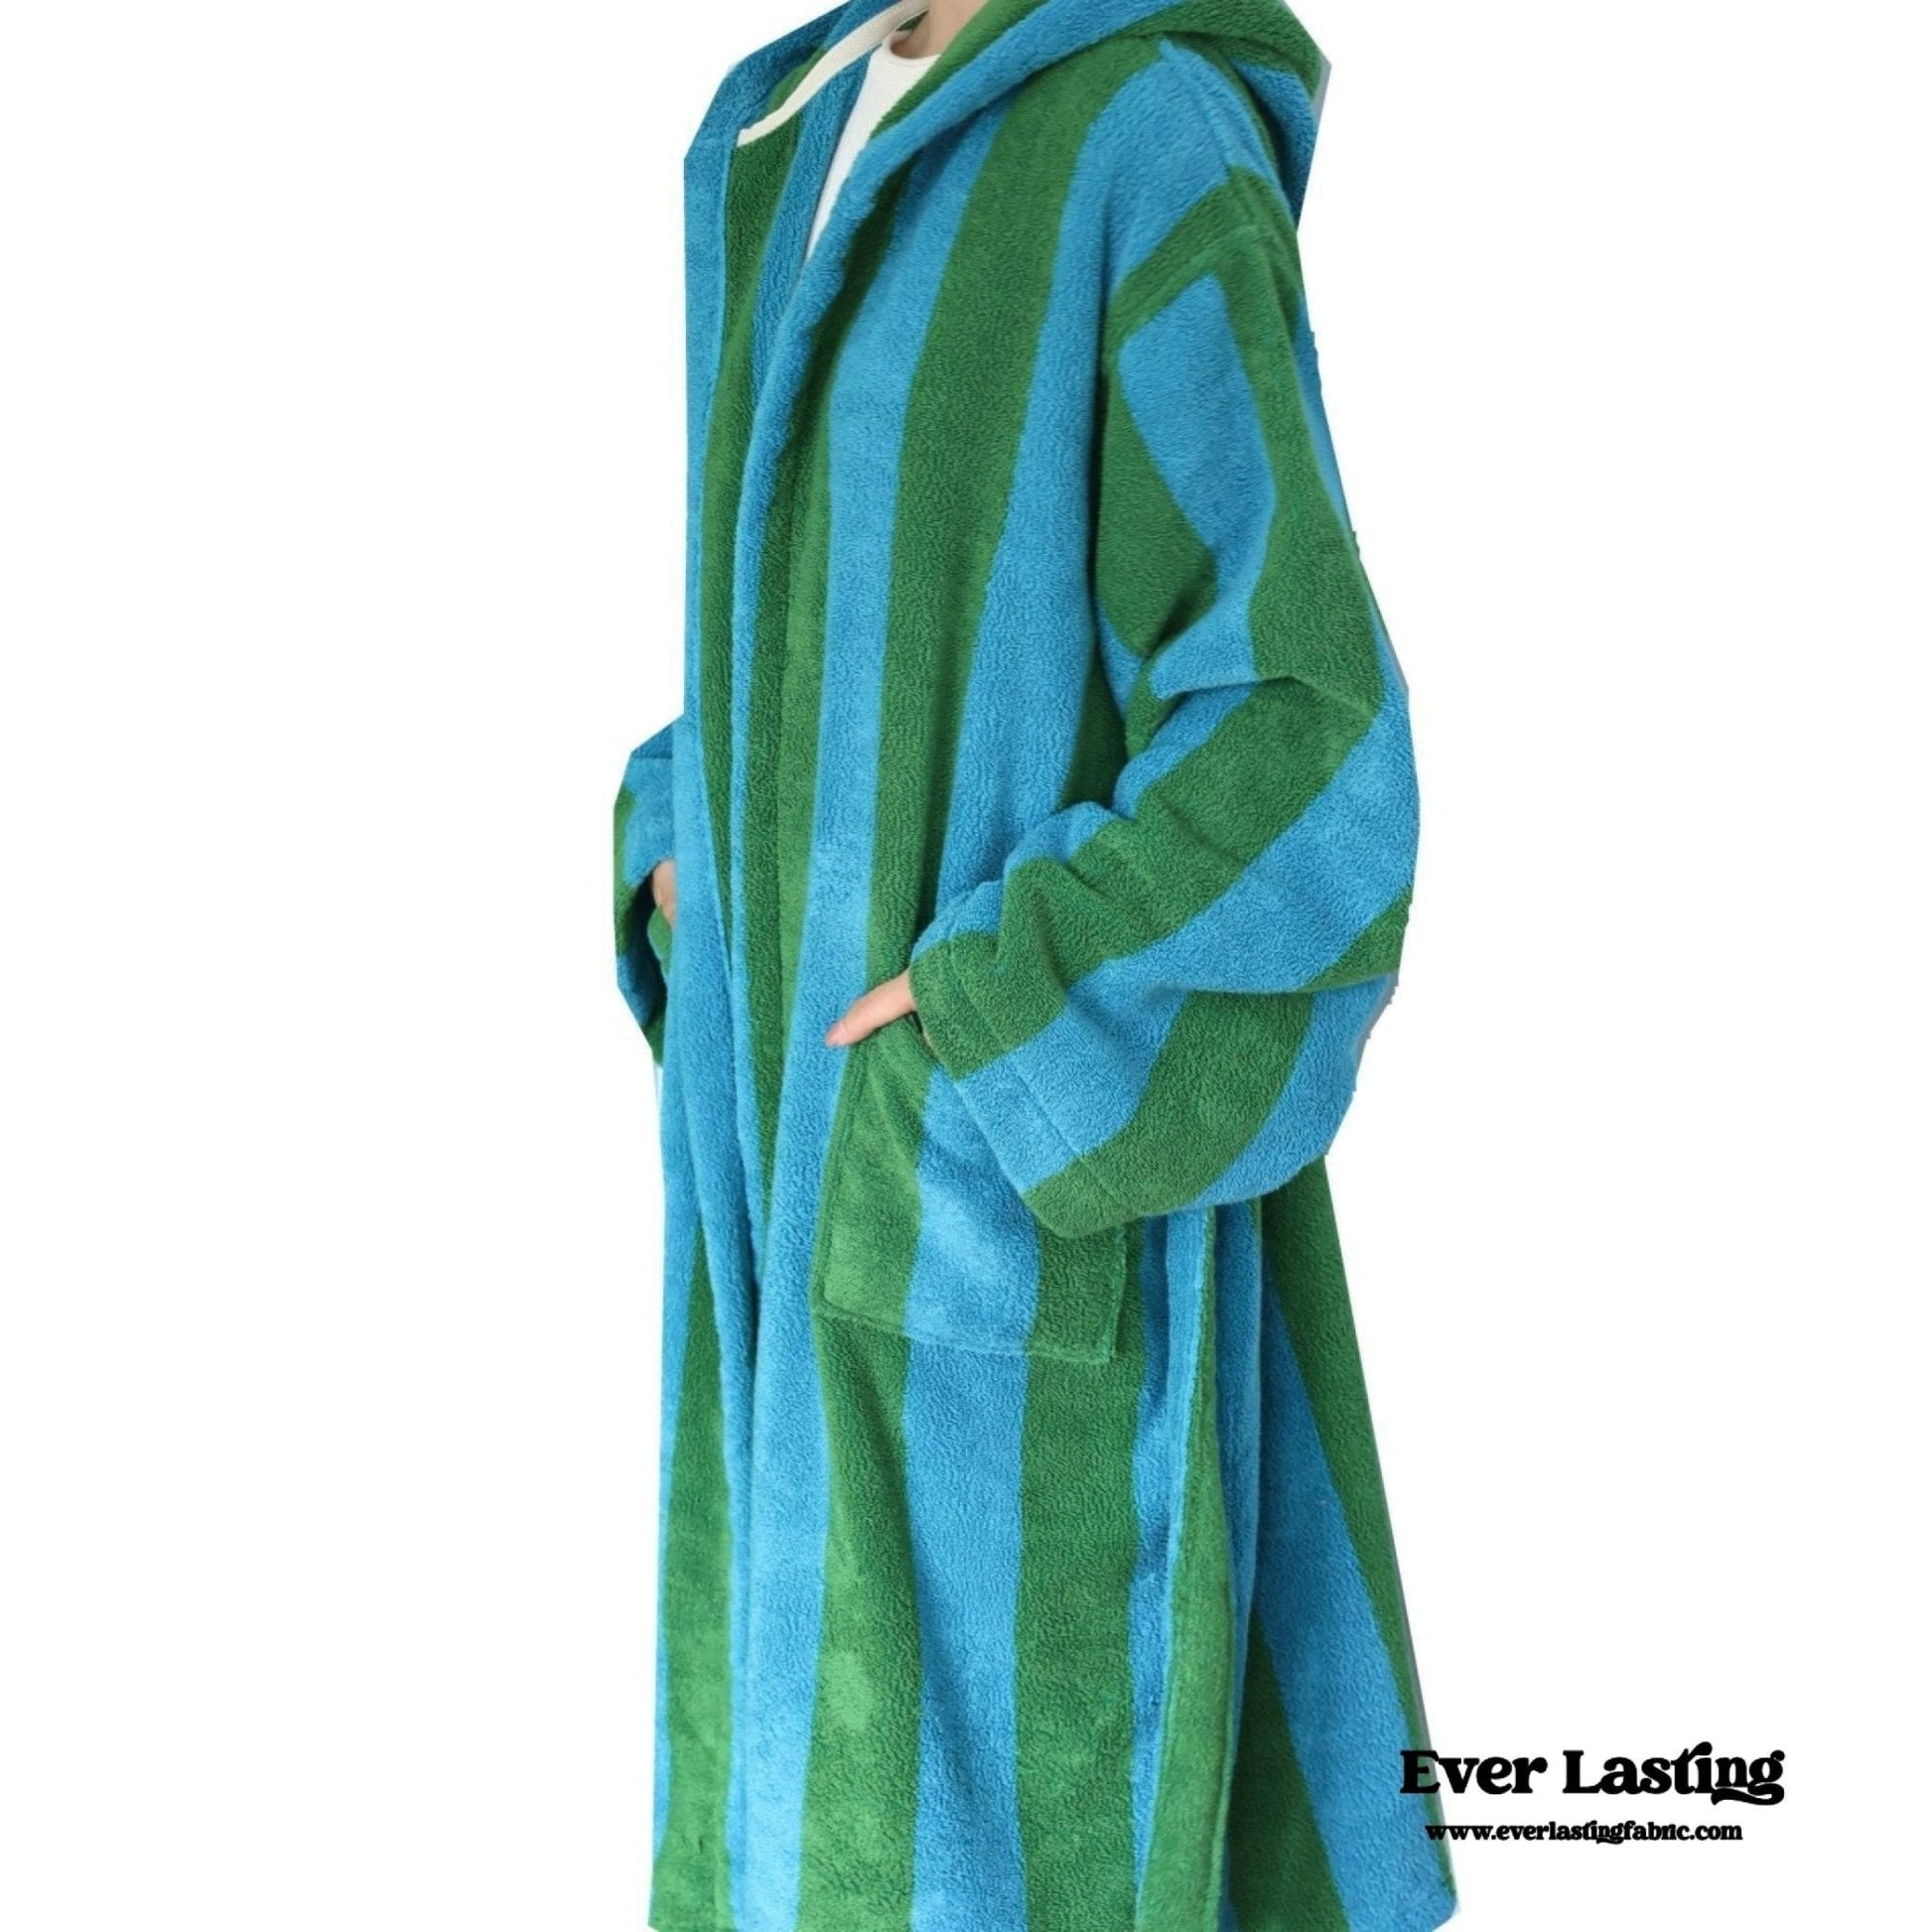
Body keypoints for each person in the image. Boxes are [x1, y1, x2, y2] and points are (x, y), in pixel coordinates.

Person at [614, 3, 1453, 1927]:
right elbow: (804, 609)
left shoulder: (1139, 129)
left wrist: (1015, 1003)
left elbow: (1300, 720)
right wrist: (681, 836)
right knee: (783, 1808)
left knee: (1024, 1834)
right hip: (771, 1161)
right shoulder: (777, 129)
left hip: (986, 1170)